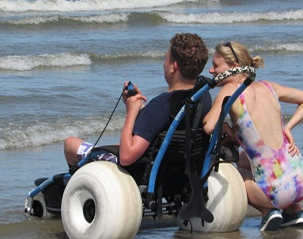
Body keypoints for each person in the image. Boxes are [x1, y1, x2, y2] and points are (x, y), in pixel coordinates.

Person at [203, 41, 303, 231]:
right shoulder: (269, 86)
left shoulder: (230, 91)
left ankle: (268, 210)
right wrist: (288, 128)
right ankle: (294, 211)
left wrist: (222, 124)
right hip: (301, 179)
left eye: (216, 65)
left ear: (235, 67)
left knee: (231, 172)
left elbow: (207, 126)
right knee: (243, 159)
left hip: (275, 192)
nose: (211, 71)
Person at [64, 33, 210, 169]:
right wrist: (141, 109)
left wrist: (131, 112)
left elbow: (126, 157)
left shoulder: (161, 105)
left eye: (166, 59)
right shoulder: (202, 97)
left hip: (138, 171)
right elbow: (163, 122)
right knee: (116, 144)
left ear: (174, 67)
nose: (164, 64)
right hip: (176, 170)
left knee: (71, 143)